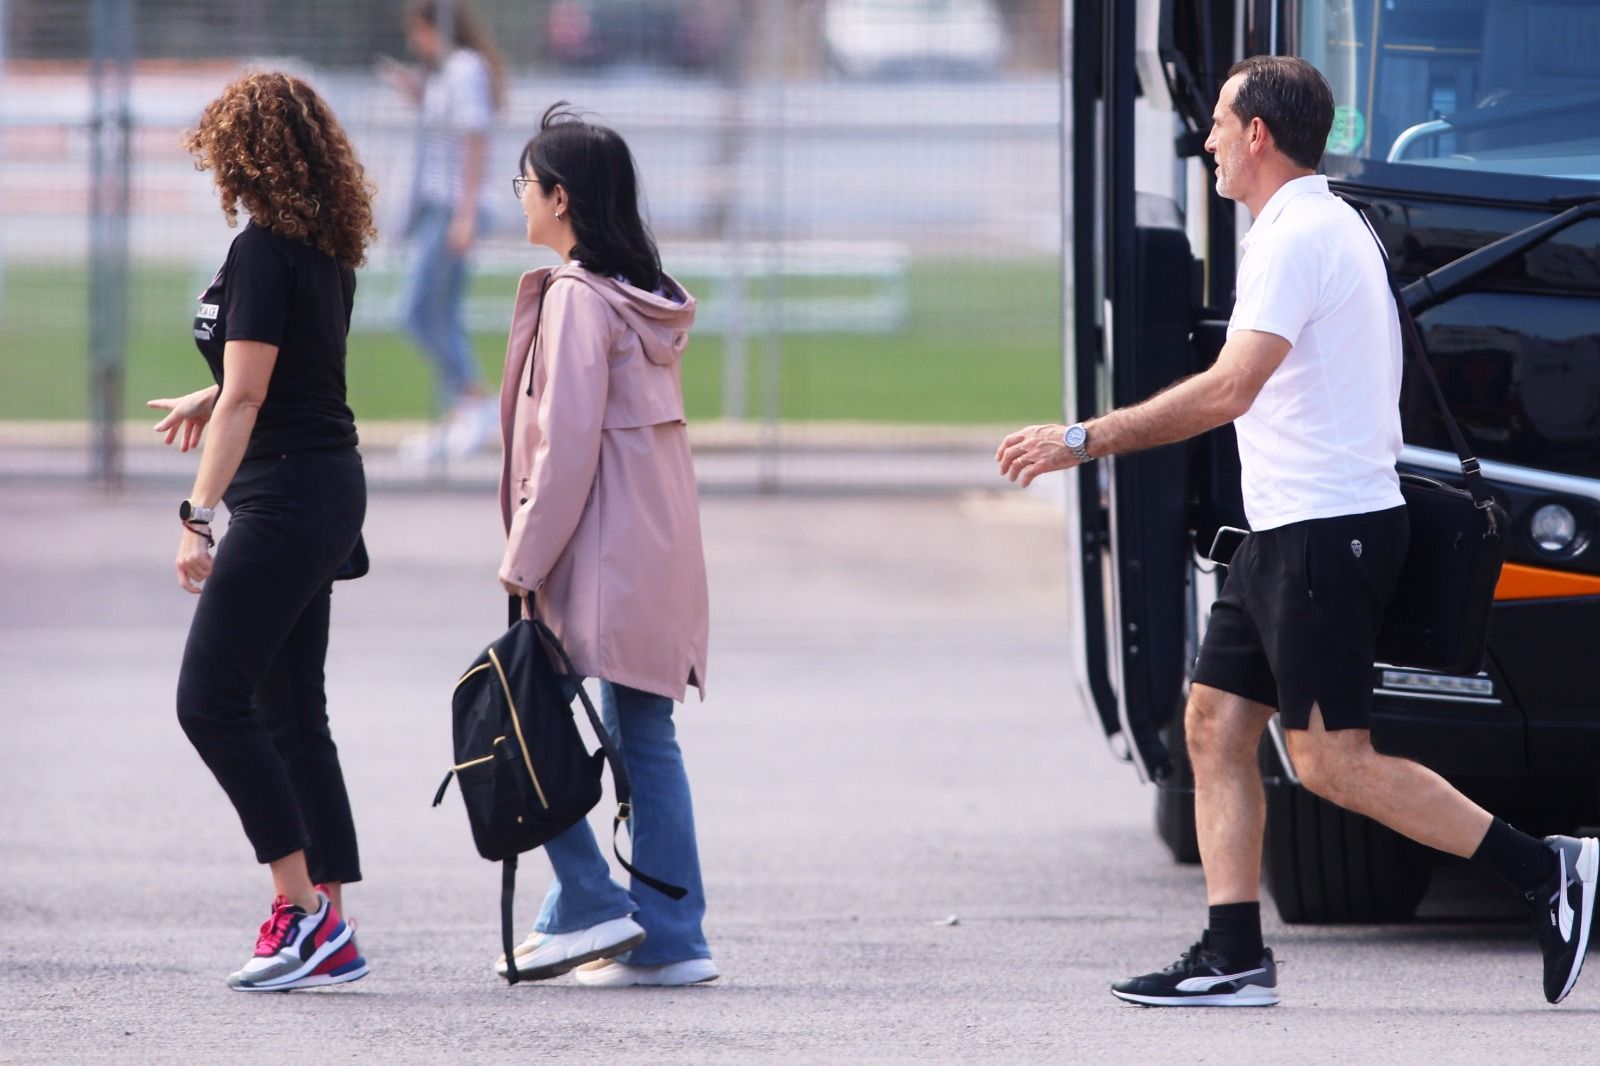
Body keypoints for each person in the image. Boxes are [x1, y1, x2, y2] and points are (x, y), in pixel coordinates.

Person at [997, 55, 1597, 1007]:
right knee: (1214, 724)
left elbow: (1232, 388)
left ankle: (1544, 869)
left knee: (1329, 762)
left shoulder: (1297, 237)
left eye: (1220, 125)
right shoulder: (1316, 222)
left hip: (1326, 536)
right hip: (1286, 531)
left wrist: (1084, 439)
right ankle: (1233, 953)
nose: (1208, 141)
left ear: (1258, 136)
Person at [150, 71, 376, 992]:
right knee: (289, 706)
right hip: (320, 484)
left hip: (288, 495)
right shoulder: (317, 248)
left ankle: (301, 911)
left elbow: (253, 394)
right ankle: (329, 918)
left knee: (209, 700)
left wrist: (197, 518)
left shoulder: (263, 249)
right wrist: (211, 393)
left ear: (242, 153)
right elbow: (276, 370)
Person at [492, 102, 717, 988]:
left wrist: (521, 561)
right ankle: (661, 929)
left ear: (560, 197)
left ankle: (595, 903)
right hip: (652, 552)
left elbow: (565, 448)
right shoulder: (638, 298)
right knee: (640, 734)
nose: (518, 198)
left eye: (524, 183)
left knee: (521, 720)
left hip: (604, 557)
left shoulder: (580, 302)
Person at [386, 0, 505, 460]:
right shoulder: (448, 74)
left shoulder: (463, 68)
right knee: (442, 313)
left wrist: (467, 213)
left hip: (455, 205)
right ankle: (459, 411)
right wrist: (419, 95)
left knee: (416, 310)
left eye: (419, 29)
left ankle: (474, 396)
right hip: (441, 204)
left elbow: (475, 138)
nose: (416, 41)